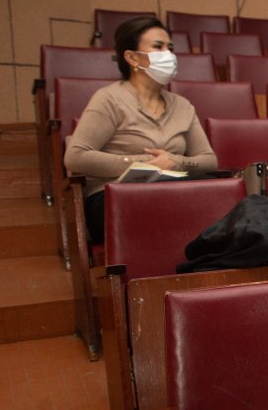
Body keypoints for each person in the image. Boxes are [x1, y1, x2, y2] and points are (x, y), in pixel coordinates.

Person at [63, 16, 216, 242]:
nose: (168, 54)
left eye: (170, 48)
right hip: (115, 197)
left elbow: (209, 160)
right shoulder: (109, 99)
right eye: (158, 47)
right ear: (132, 57)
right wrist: (142, 163)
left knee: (218, 197)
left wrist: (176, 161)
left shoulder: (182, 105)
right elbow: (76, 157)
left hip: (172, 191)